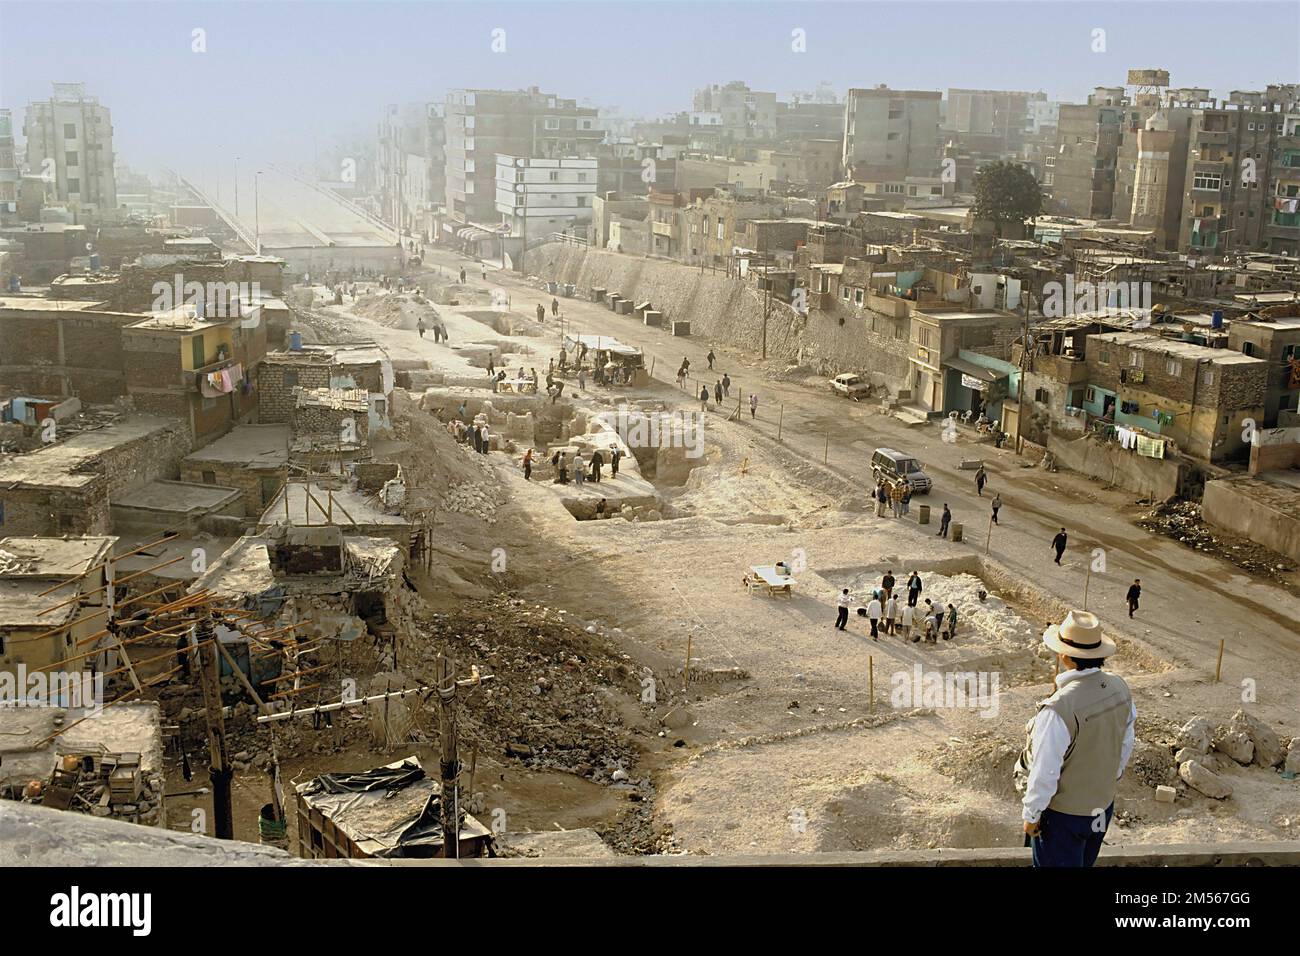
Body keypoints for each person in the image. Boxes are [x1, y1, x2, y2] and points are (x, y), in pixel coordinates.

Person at [1015, 610, 1135, 868]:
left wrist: (1032, 814)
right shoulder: (1120, 687)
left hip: (1063, 817)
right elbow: (1125, 746)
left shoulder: (1059, 708)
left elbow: (1044, 770)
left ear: (1064, 656)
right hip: (1101, 809)